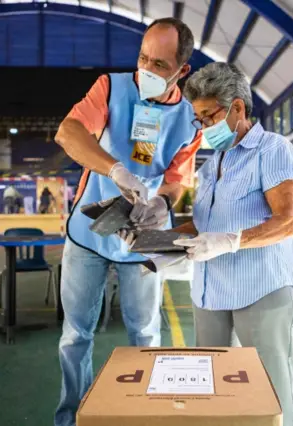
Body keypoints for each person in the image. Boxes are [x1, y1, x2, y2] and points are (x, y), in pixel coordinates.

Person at [136, 63, 293, 426]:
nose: (202, 127)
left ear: (237, 108)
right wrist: (152, 238)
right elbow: (204, 224)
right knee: (214, 387)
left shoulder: (272, 150)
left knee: (271, 388)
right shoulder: (213, 163)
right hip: (210, 293)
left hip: (261, 288)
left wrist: (232, 241)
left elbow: (286, 221)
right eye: (197, 119)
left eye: (207, 116)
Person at [53, 17, 201, 426]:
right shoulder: (111, 88)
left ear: (181, 71)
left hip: (141, 238)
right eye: (143, 58)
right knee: (75, 336)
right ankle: (71, 417)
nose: (146, 70)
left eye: (160, 65)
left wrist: (162, 205)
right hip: (88, 236)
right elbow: (68, 133)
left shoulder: (191, 121)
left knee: (145, 336)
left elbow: (176, 180)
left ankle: (141, 416)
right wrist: (116, 169)